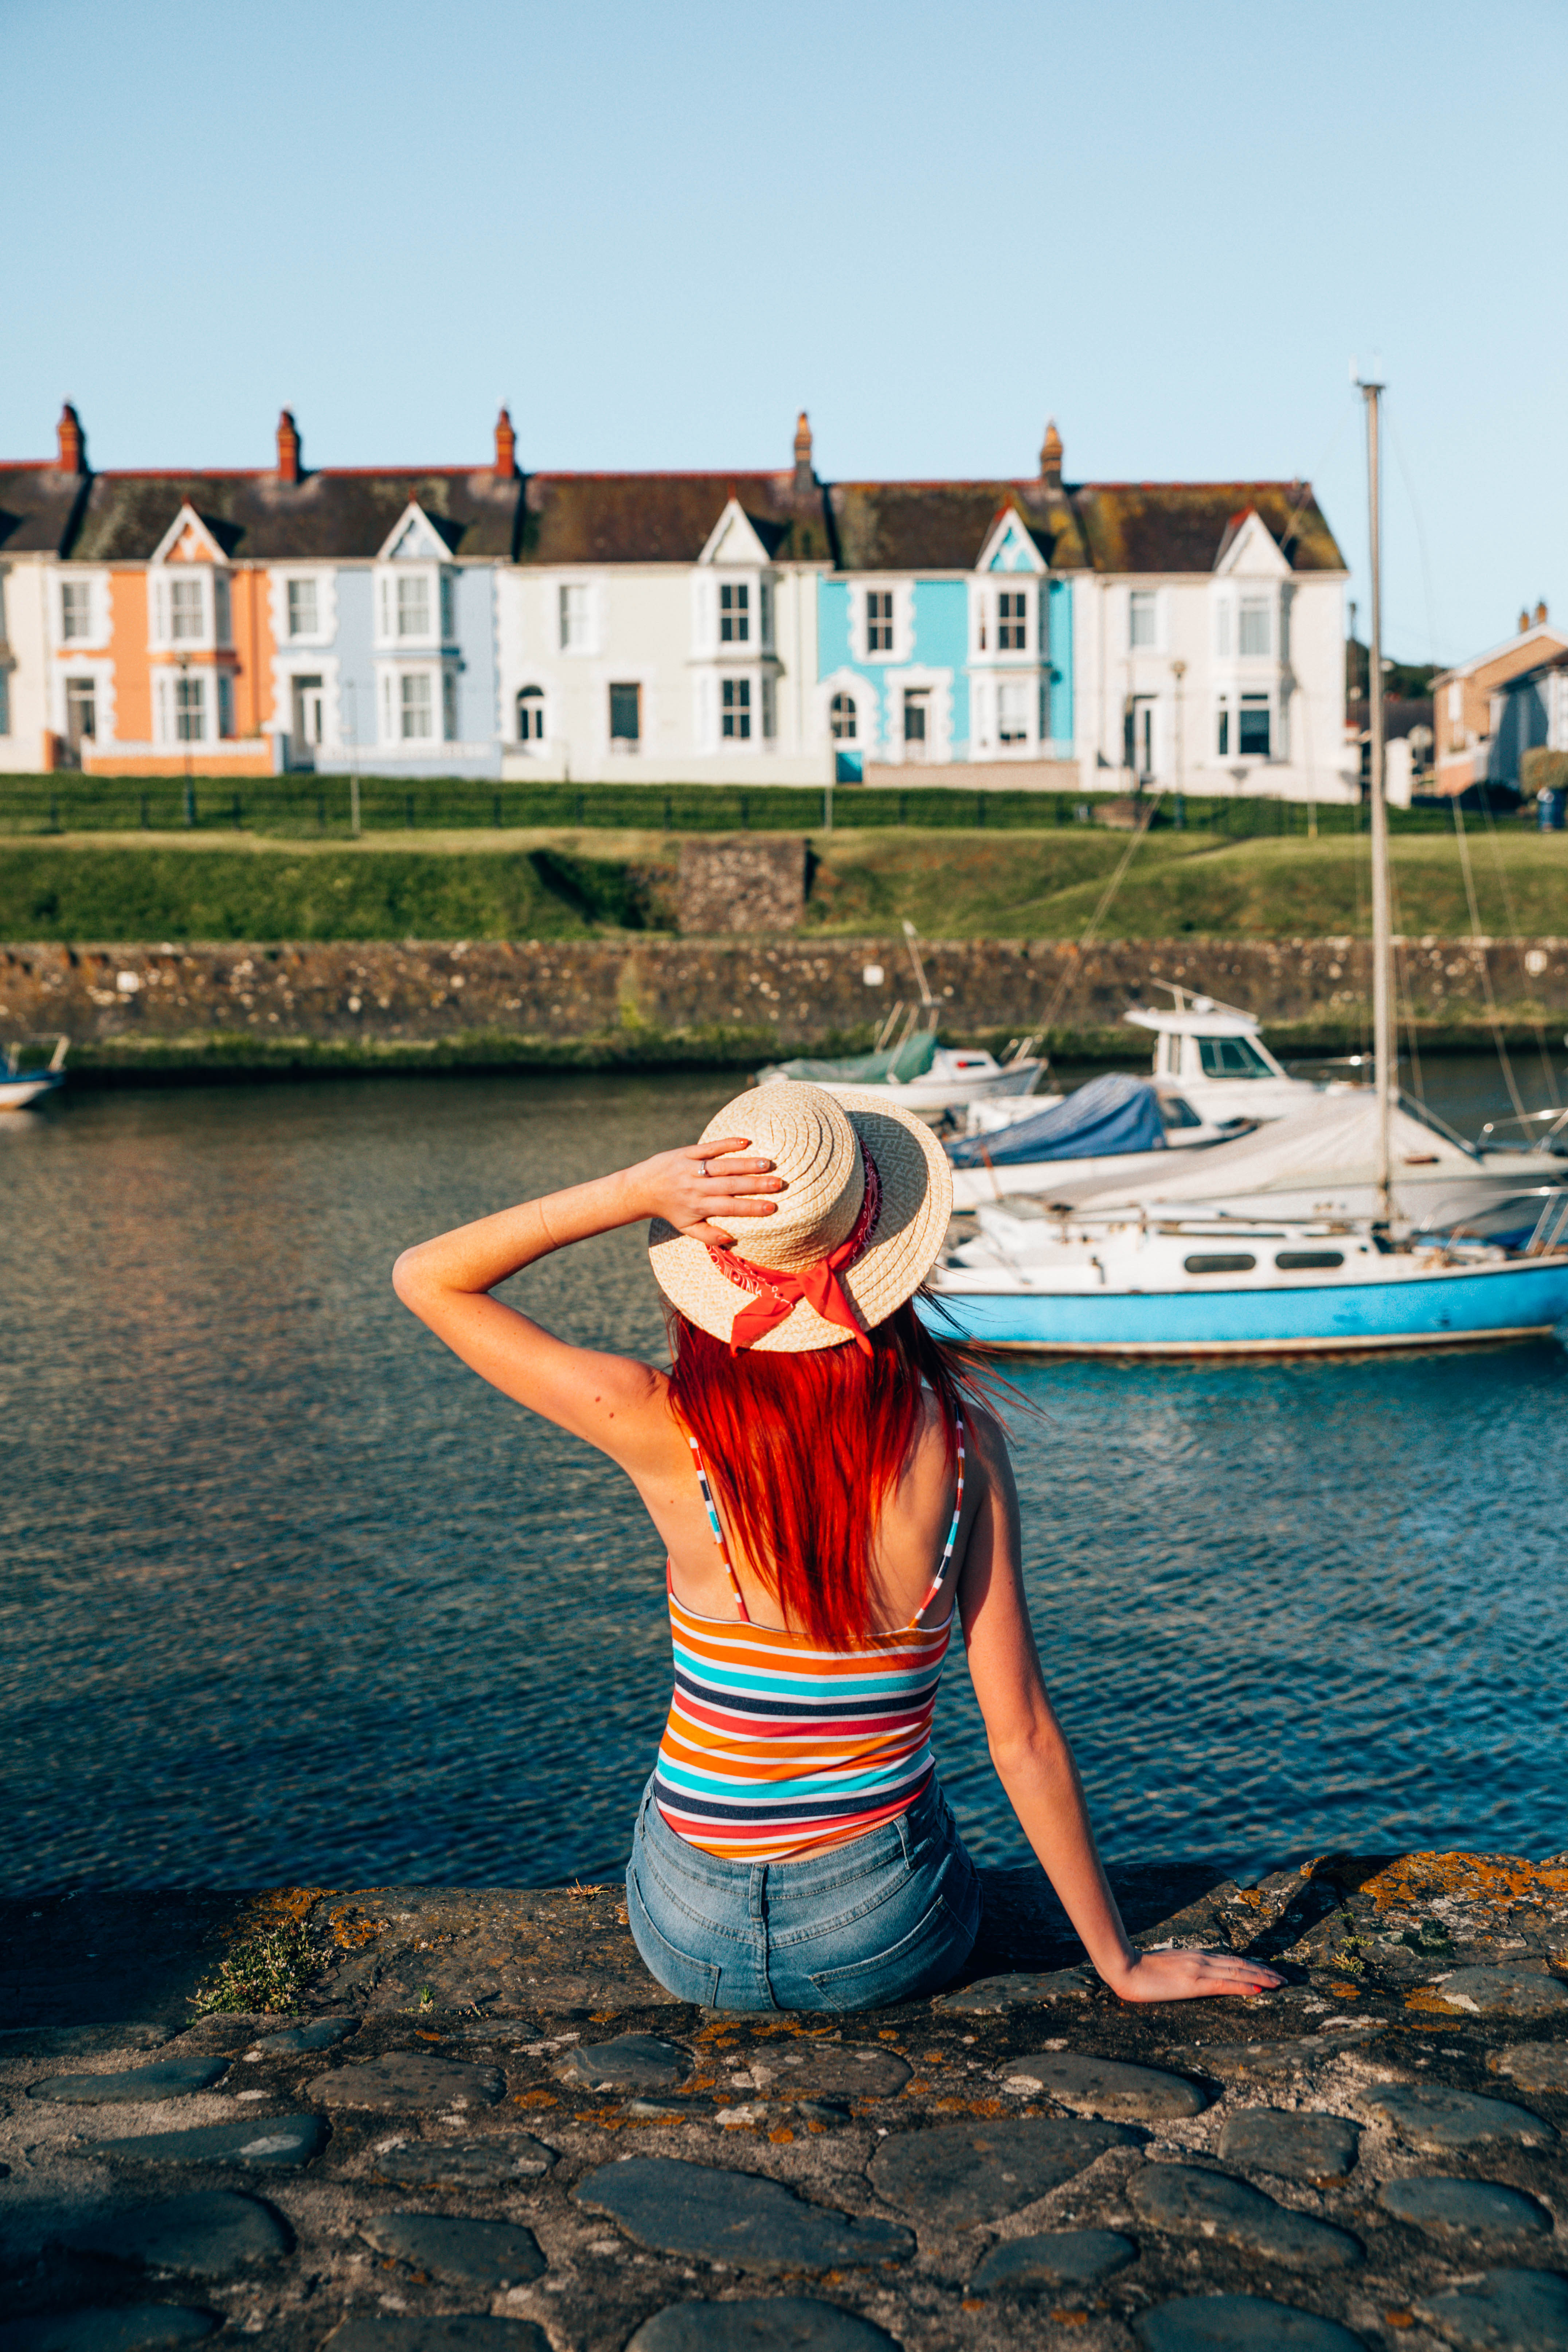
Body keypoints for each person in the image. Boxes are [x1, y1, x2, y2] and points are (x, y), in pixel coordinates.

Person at [394, 1080, 1282, 2013]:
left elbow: (428, 1274)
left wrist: (635, 1188)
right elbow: (1018, 1734)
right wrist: (1120, 1963)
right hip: (880, 1933)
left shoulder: (660, 1423)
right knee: (921, 1796)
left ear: (707, 1260)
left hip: (686, 1935)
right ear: (889, 1249)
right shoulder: (967, 1444)